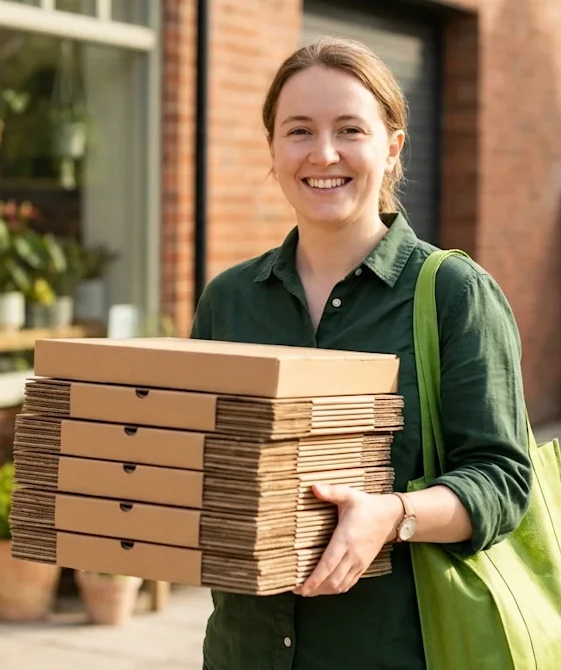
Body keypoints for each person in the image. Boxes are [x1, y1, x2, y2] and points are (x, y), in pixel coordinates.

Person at [190, 36, 533, 670]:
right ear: (272, 147)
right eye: (299, 131)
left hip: (394, 650)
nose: (324, 154)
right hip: (246, 651)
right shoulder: (230, 301)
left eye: (350, 129)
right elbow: (196, 458)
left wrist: (392, 515)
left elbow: (503, 480)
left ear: (393, 144)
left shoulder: (454, 294)